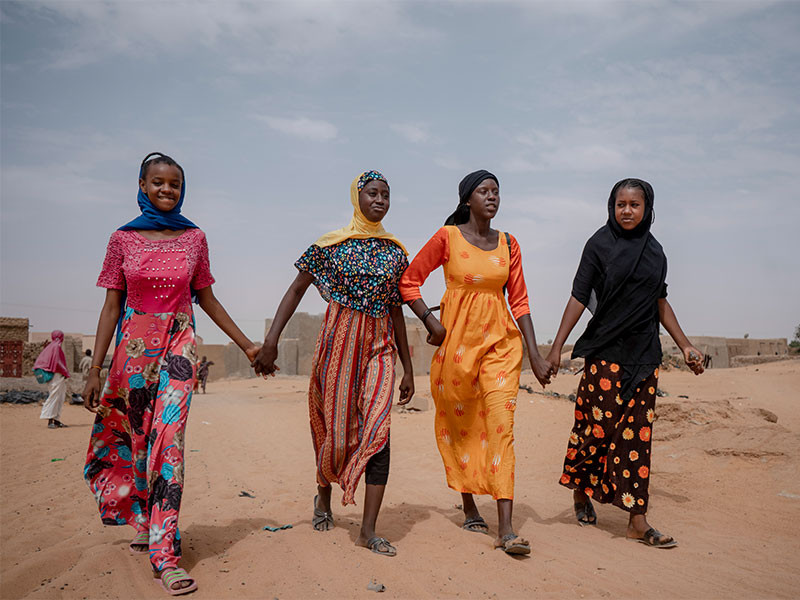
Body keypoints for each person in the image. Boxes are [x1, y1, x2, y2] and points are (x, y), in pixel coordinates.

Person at [82, 152, 260, 595]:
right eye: (158, 182)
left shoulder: (194, 238)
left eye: (175, 184)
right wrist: (95, 369)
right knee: (138, 439)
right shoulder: (122, 239)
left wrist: (248, 345)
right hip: (133, 350)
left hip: (179, 346)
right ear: (142, 185)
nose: (167, 190)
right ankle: (143, 520)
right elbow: (110, 308)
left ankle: (166, 554)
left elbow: (208, 299)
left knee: (169, 443)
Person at [252, 170, 414, 557]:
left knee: (378, 429)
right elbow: (295, 290)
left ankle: (367, 530)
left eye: (386, 195)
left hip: (379, 346)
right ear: (356, 198)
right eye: (372, 193)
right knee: (334, 429)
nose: (379, 200)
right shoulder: (331, 245)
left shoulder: (396, 252)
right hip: (339, 342)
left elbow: (396, 312)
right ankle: (323, 496)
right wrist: (271, 342)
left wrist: (407, 366)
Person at [399, 170, 553, 555]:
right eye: (483, 191)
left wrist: (535, 353)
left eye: (496, 191)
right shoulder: (447, 237)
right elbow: (409, 281)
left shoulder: (509, 243)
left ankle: (506, 529)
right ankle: (468, 503)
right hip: (456, 349)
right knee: (463, 424)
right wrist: (429, 321)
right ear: (467, 199)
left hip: (501, 346)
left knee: (502, 426)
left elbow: (519, 302)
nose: (492, 197)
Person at [546, 178, 704, 549]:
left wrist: (685, 346)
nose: (627, 211)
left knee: (636, 439)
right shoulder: (598, 245)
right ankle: (582, 490)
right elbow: (579, 297)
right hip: (605, 355)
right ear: (611, 207)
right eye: (621, 204)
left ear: (647, 208)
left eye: (635, 204)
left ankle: (637, 519)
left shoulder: (655, 251)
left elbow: (660, 302)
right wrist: (557, 348)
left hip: (644, 357)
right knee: (596, 432)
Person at [34, 330, 71, 429]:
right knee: (54, 396)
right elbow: (57, 363)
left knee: (60, 397)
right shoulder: (56, 347)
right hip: (56, 375)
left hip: (55, 375)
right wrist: (65, 372)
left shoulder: (50, 347)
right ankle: (50, 420)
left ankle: (57, 420)